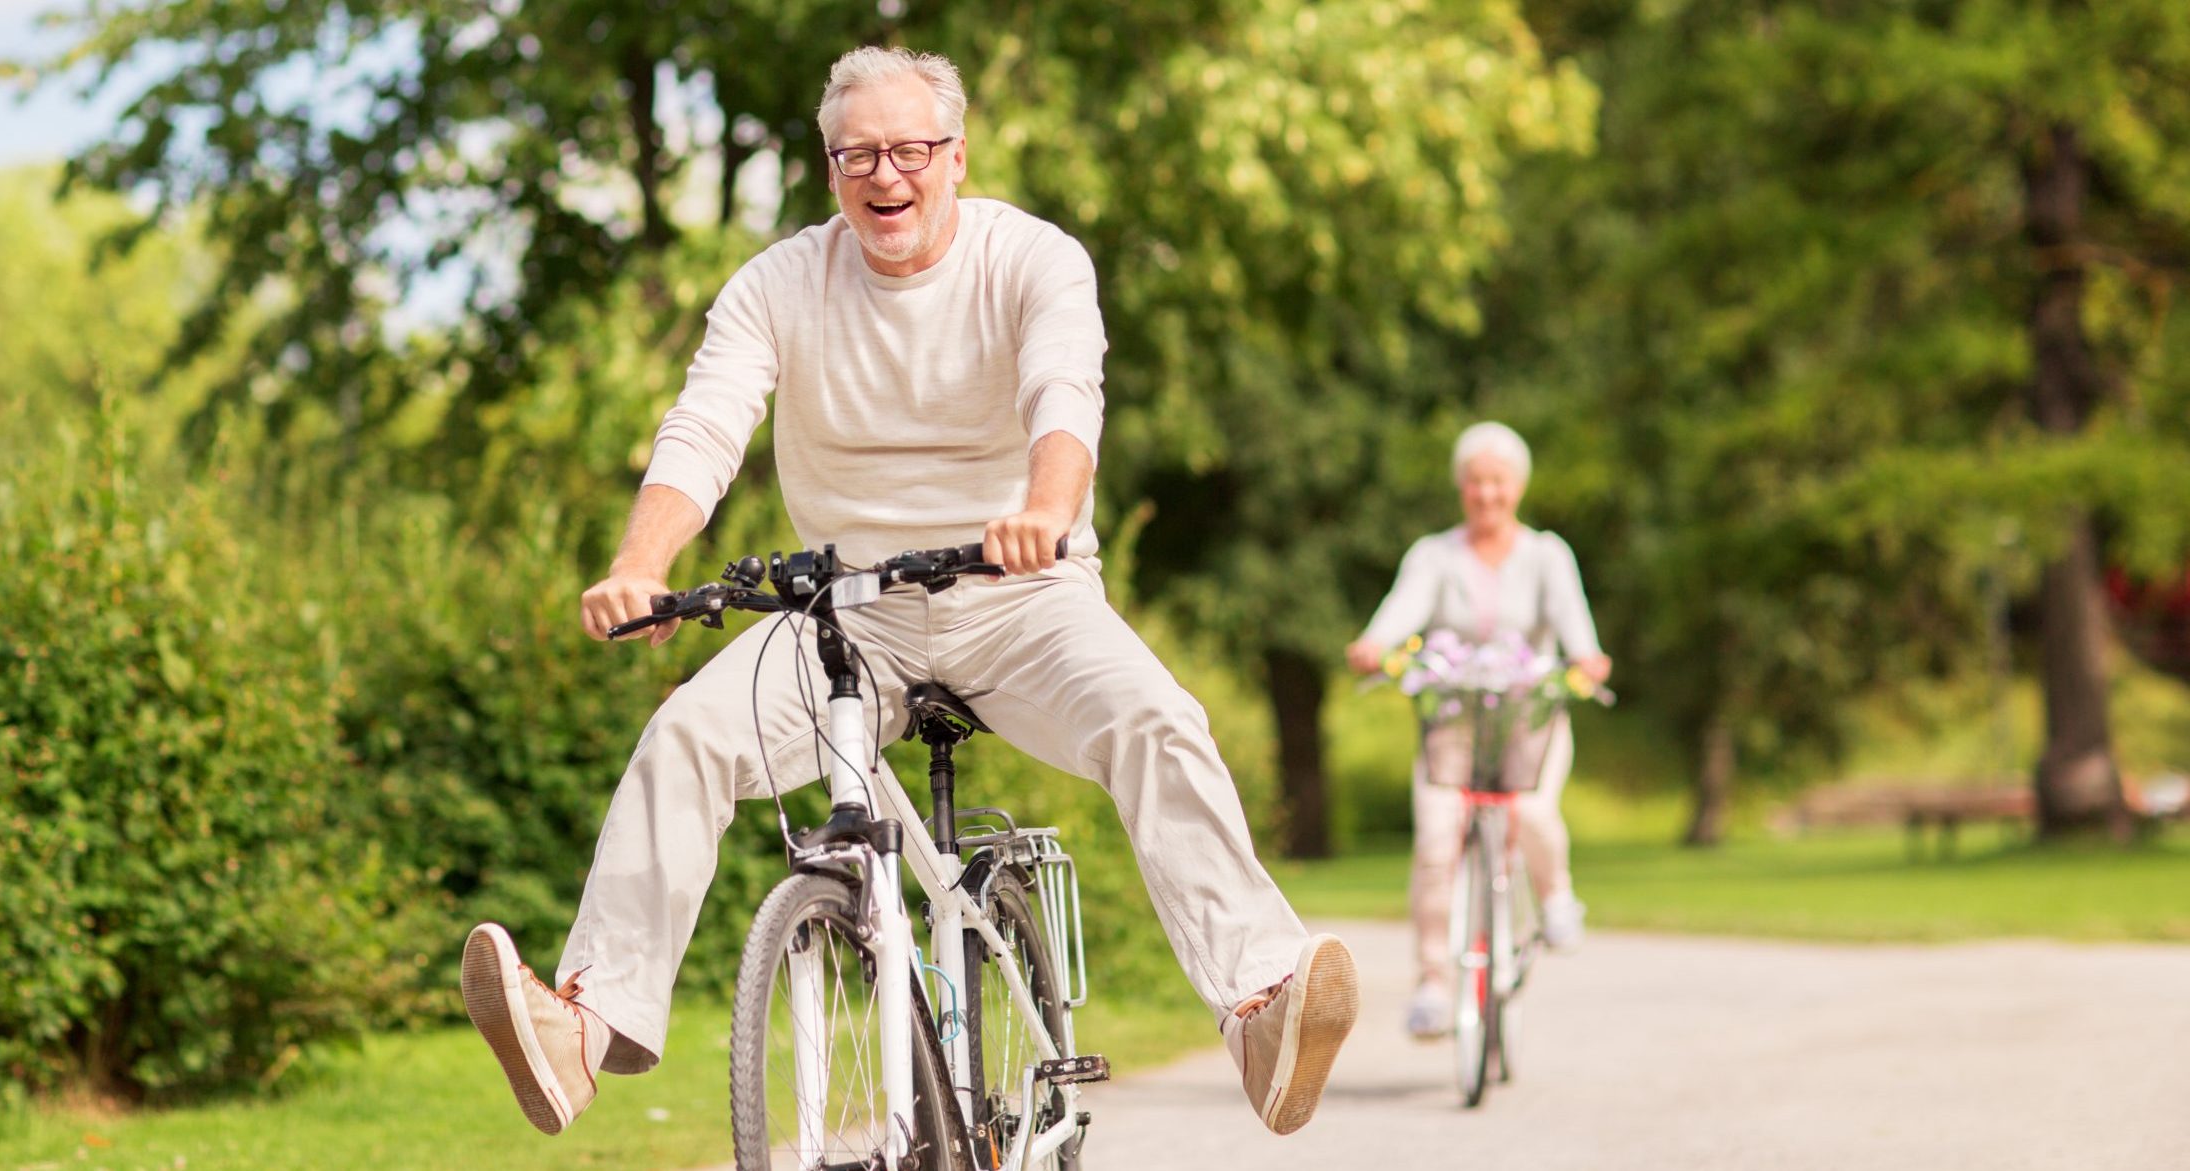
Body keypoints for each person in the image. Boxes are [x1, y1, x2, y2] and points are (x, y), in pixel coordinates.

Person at [460, 46, 1358, 1139]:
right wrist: (638, 564)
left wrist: (1044, 508)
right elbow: (704, 427)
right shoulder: (778, 283)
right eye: (857, 156)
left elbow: (1063, 393)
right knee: (685, 735)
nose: (885, 176)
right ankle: (583, 1027)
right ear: (830, 168)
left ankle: (1260, 1007)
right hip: (847, 613)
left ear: (955, 157)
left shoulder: (1030, 258)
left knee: (1156, 719)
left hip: (1020, 594)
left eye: (908, 151)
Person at [1343, 421, 1610, 1041]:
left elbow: (1578, 631)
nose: (1486, 494)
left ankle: (1556, 898)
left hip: (1529, 719)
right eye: (1475, 482)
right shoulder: (1436, 556)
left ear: (1517, 487)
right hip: (1454, 723)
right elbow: (1399, 612)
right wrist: (1374, 645)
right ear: (1461, 488)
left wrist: (1587, 660)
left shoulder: (1548, 555)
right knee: (1437, 840)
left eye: (1498, 482)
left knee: (1534, 812)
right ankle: (1433, 984)